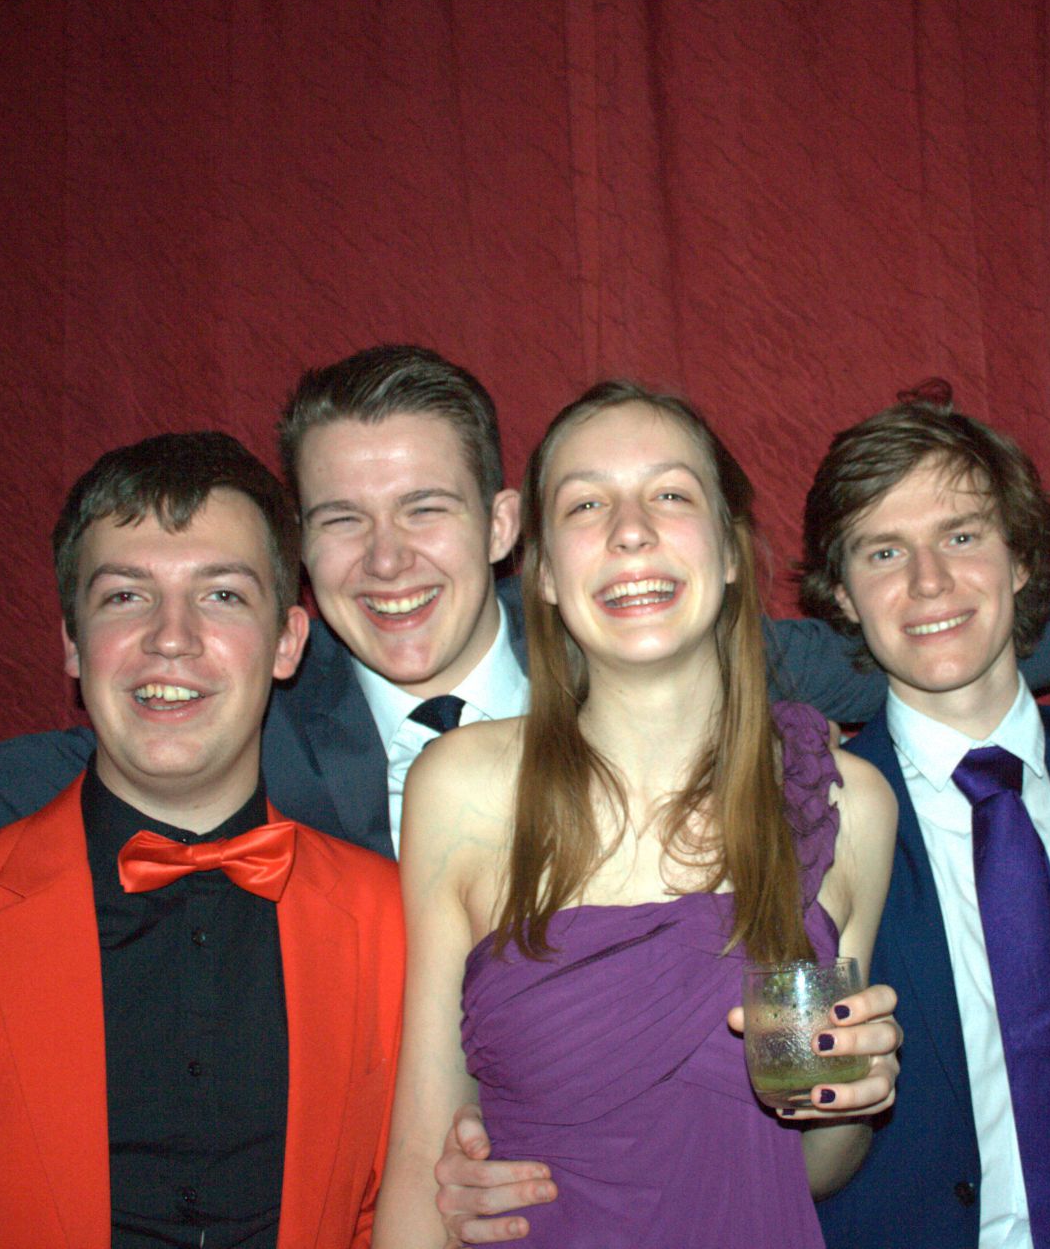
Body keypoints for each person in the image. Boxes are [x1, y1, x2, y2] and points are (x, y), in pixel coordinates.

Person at [0, 344, 1050, 1220]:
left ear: (501, 530)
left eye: (425, 509)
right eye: (340, 521)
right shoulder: (243, 704)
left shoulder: (704, 658)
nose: (387, 562)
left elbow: (932, 619)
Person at [0, 432, 408, 1245]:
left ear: (288, 642)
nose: (171, 636)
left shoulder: (388, 919)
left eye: (222, 595)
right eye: (126, 596)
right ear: (71, 642)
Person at [375, 383, 900, 1248]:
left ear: (730, 550)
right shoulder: (460, 787)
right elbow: (421, 1157)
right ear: (544, 573)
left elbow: (808, 1166)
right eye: (586, 504)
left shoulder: (849, 802)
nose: (630, 531)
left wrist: (852, 1097)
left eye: (670, 494)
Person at [795, 391, 1050, 1249]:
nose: (929, 581)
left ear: (1020, 558)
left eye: (960, 536)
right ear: (842, 593)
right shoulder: (802, 820)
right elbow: (784, 1137)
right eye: (885, 551)